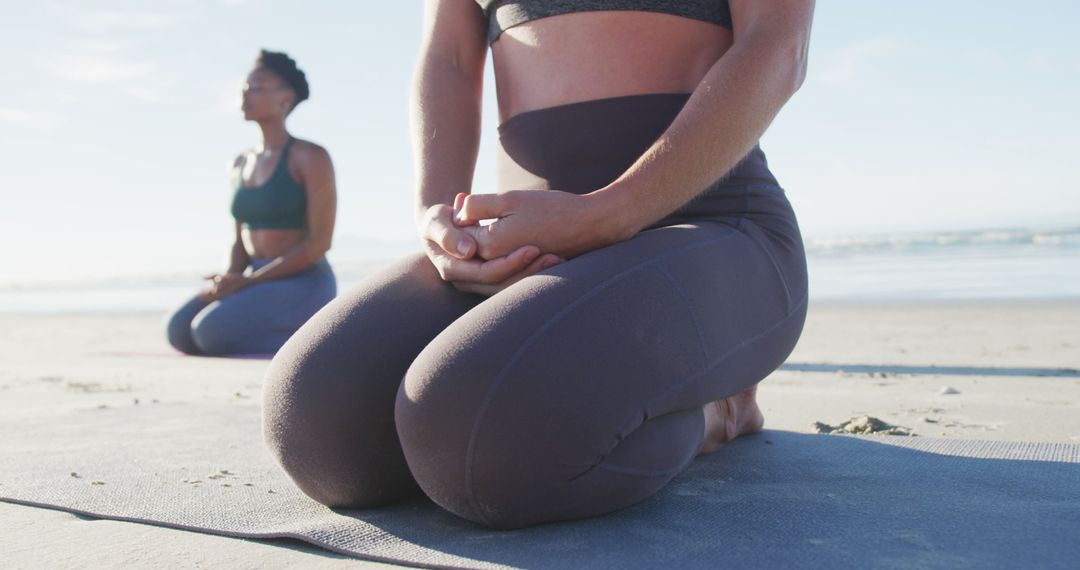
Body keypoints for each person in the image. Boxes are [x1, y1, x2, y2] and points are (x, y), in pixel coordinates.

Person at [264, 0, 814, 529]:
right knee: (319, 427)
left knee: (478, 439)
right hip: (530, 249)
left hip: (709, 226)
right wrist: (439, 217)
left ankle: (719, 411)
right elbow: (448, 60)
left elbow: (777, 45)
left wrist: (608, 213)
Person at [165, 50, 337, 356]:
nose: (246, 95)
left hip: (301, 282)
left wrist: (249, 283)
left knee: (208, 333)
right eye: (244, 87)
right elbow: (239, 238)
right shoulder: (239, 163)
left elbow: (318, 243)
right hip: (254, 279)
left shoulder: (310, 157)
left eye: (257, 87)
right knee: (179, 331)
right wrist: (230, 277)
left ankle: (313, 349)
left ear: (285, 98)